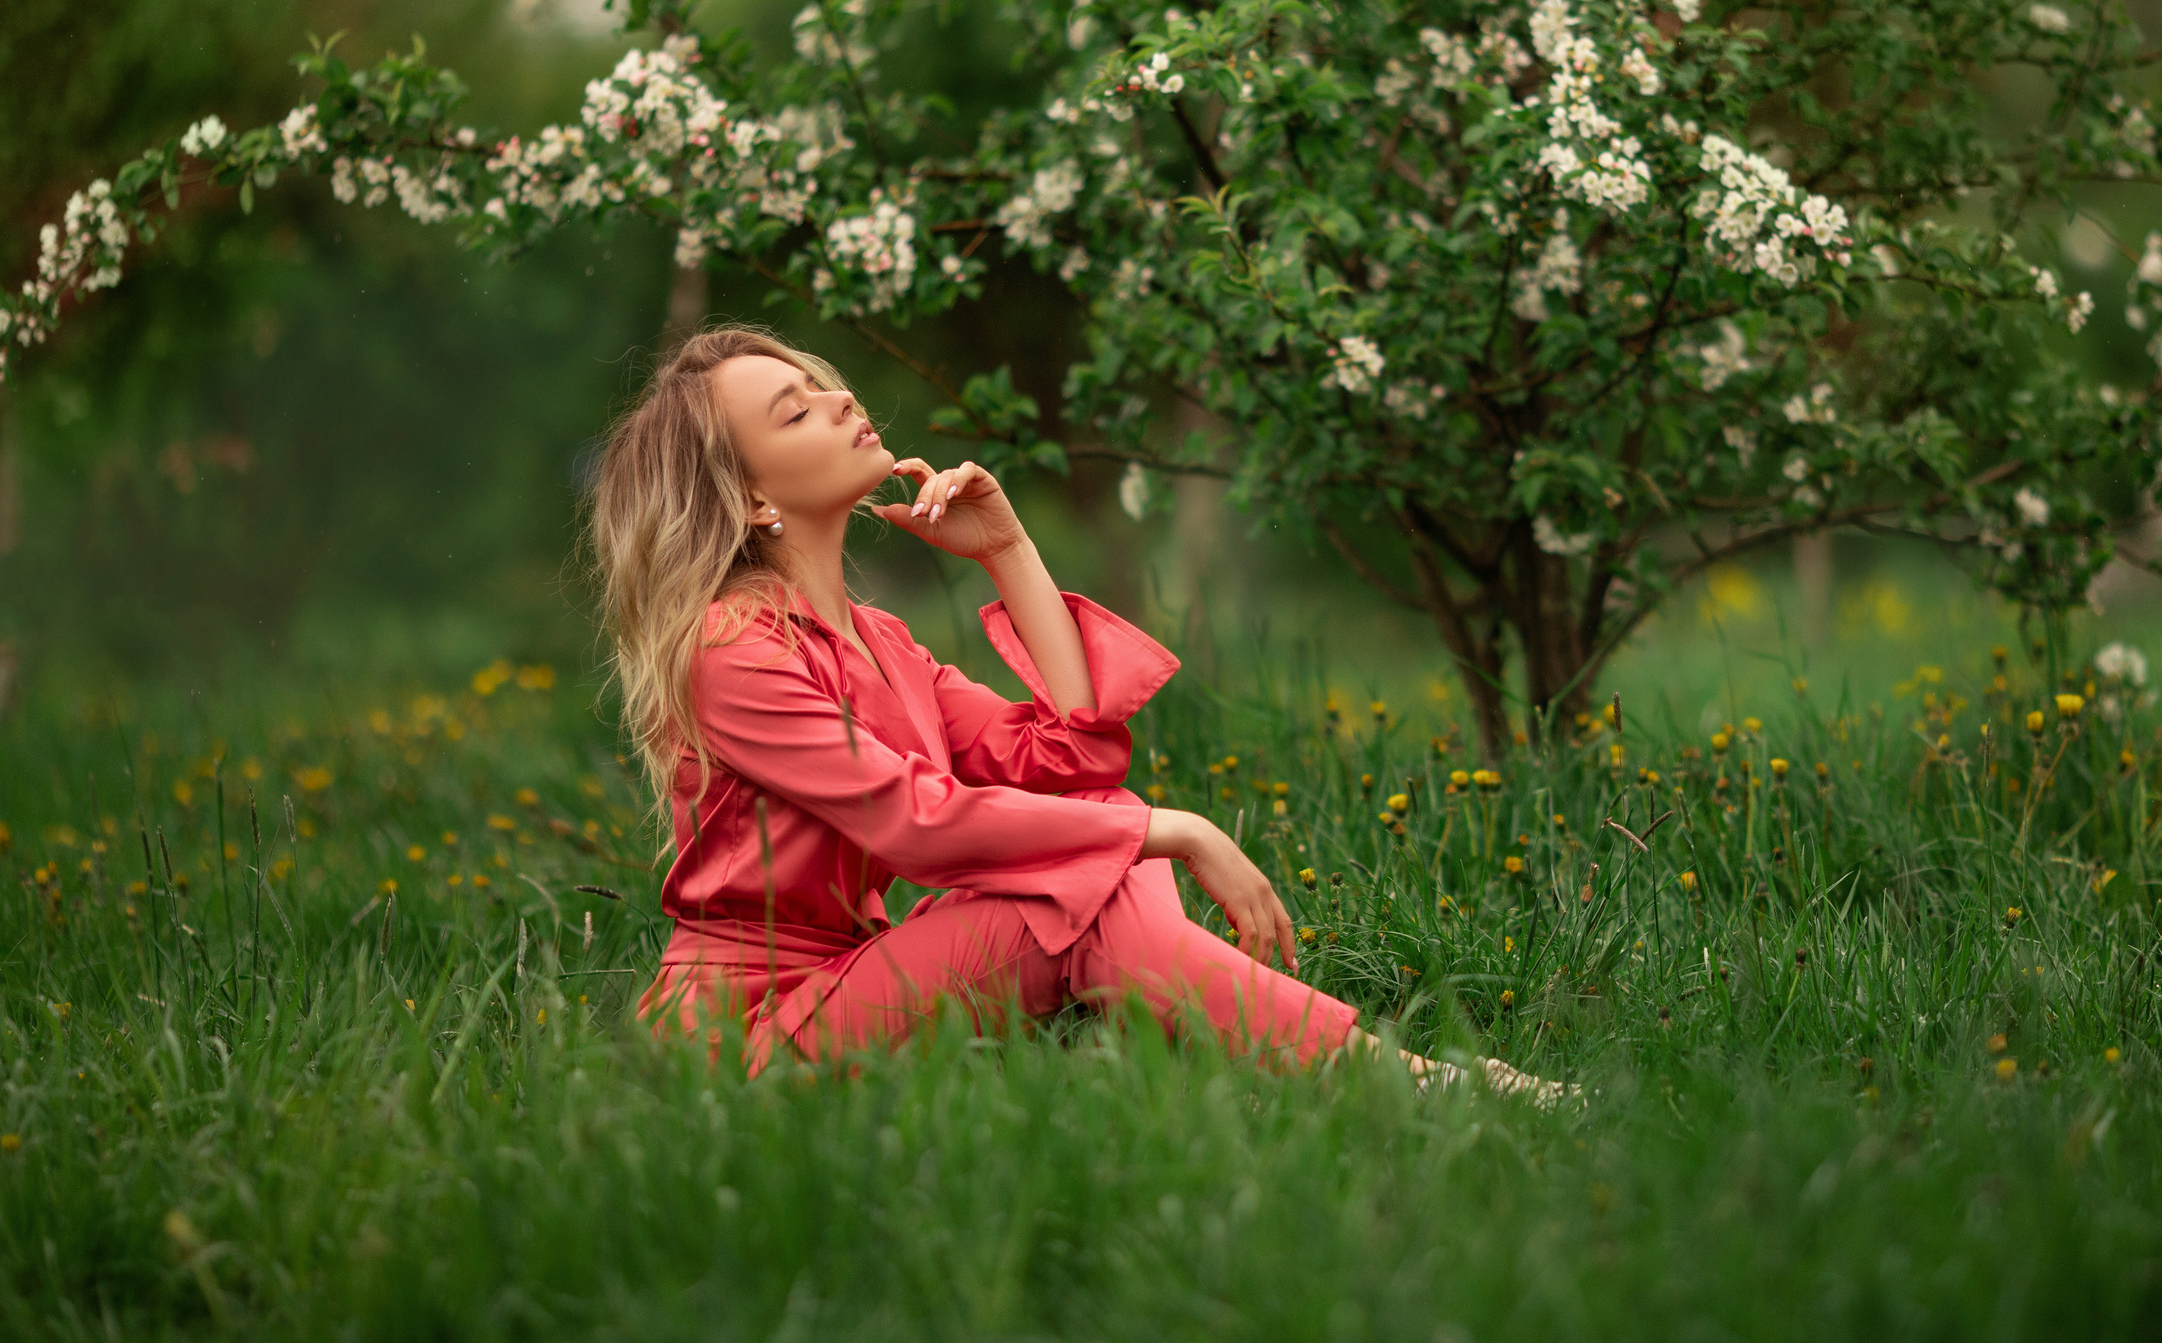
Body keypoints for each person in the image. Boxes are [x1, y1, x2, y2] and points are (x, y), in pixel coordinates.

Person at [595, 326, 1562, 1102]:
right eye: (796, 409)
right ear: (753, 493)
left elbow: (1068, 755)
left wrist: (1010, 548)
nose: (843, 398)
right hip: (743, 1043)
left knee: (1092, 861)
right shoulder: (735, 648)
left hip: (849, 984)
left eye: (821, 383)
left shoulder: (879, 639)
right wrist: (1167, 830)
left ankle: (1351, 1068)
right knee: (1091, 870)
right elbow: (914, 823)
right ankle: (1408, 1081)